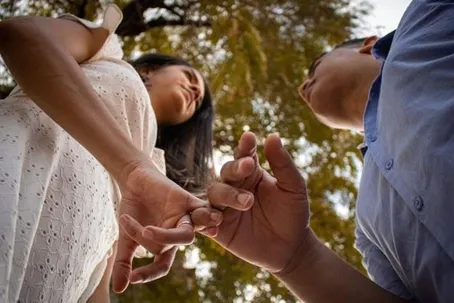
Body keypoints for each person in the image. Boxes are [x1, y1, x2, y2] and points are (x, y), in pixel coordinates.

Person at [127, 1, 454, 302]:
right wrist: (297, 259)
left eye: (315, 67)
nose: (302, 87)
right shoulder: (368, 223)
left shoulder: (424, 26)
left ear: (368, 44)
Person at [0, 4, 222, 302]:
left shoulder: (154, 178)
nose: (196, 92)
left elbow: (101, 279)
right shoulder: (108, 50)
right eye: (190, 78)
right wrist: (132, 169)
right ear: (150, 69)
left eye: (198, 103)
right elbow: (21, 34)